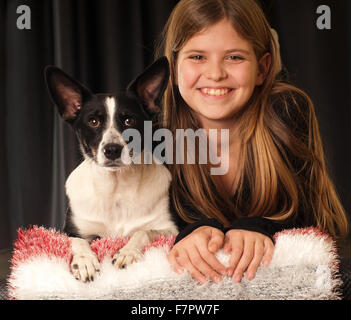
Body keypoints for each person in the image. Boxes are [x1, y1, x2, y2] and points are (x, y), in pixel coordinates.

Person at [155, 0, 348, 285]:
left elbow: (313, 220)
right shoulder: (156, 143)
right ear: (172, 68)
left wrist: (258, 227)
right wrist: (192, 234)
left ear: (262, 67)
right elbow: (147, 230)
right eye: (197, 57)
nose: (216, 73)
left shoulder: (286, 114)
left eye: (234, 57)